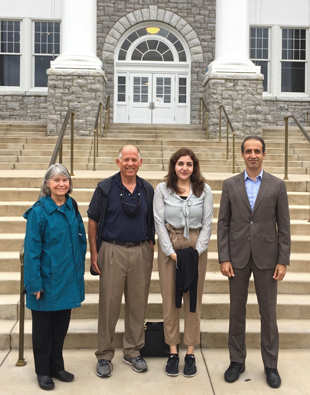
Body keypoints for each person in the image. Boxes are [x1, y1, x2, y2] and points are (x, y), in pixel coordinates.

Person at [217, 136, 291, 389]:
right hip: (236, 257)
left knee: (268, 313)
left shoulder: (277, 185)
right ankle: (237, 361)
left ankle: (271, 365)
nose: (253, 155)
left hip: (268, 258)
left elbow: (285, 226)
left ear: (263, 154)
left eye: (257, 151)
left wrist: (283, 260)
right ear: (242, 155)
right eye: (248, 151)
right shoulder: (230, 185)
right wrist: (224, 256)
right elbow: (223, 223)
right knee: (236, 311)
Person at [87, 145, 155, 378]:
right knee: (109, 305)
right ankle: (105, 355)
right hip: (112, 250)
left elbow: (152, 222)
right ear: (118, 162)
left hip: (140, 251)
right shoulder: (105, 188)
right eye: (126, 159)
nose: (130, 163)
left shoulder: (147, 189)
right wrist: (95, 253)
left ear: (140, 162)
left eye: (134, 159)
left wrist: (150, 251)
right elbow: (93, 221)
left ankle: (133, 351)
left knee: (138, 305)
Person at [23, 164, 87, 391]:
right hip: (46, 281)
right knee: (43, 332)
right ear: (47, 184)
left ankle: (57, 366)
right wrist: (34, 284)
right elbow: (31, 251)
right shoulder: (39, 212)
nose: (62, 184)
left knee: (60, 328)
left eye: (65, 180)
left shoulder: (72, 206)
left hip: (67, 279)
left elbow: (80, 239)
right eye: (56, 180)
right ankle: (42, 371)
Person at [153, 148, 213, 378]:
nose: (184, 168)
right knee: (170, 300)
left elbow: (208, 223)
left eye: (189, 164)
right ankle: (172, 351)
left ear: (194, 166)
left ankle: (190, 352)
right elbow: (158, 221)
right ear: (174, 166)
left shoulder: (204, 190)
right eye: (180, 164)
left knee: (192, 301)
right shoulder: (162, 189)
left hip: (196, 244)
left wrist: (197, 252)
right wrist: (170, 252)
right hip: (170, 242)